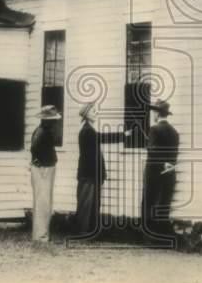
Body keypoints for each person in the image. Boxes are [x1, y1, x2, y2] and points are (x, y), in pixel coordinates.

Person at [76, 103, 131, 236]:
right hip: (89, 175)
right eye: (93, 111)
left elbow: (100, 139)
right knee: (87, 204)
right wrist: (123, 135)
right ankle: (83, 231)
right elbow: (103, 138)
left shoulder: (89, 130)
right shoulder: (87, 131)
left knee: (93, 204)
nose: (96, 113)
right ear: (86, 114)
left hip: (91, 175)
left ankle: (89, 231)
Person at [140, 99, 179, 242]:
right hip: (169, 173)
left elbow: (153, 151)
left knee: (148, 202)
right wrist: (168, 164)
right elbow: (174, 155)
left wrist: (147, 145)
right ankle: (162, 238)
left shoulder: (154, 129)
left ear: (157, 113)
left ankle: (148, 238)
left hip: (154, 172)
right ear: (166, 114)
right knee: (164, 204)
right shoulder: (174, 132)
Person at [30, 105, 61, 243]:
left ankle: (40, 234)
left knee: (42, 202)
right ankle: (41, 236)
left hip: (43, 167)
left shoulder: (40, 131)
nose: (55, 122)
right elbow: (34, 148)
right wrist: (40, 164)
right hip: (44, 169)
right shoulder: (43, 132)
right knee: (43, 202)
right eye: (52, 119)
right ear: (46, 120)